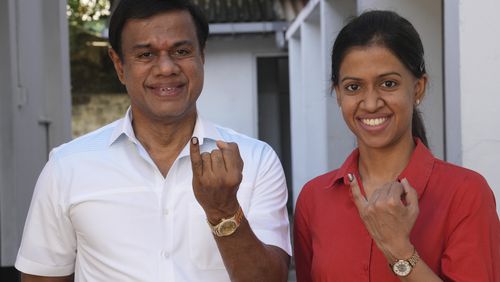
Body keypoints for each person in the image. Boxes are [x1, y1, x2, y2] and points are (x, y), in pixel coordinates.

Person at [15, 0, 291, 281]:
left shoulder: (256, 161)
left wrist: (224, 211)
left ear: (202, 56)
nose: (166, 68)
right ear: (119, 65)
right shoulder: (67, 166)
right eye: (146, 54)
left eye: (181, 51)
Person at [294, 10, 500, 282]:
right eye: (353, 87)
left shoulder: (466, 195)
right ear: (338, 94)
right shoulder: (313, 199)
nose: (370, 103)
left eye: (388, 84)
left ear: (418, 88)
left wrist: (399, 250)